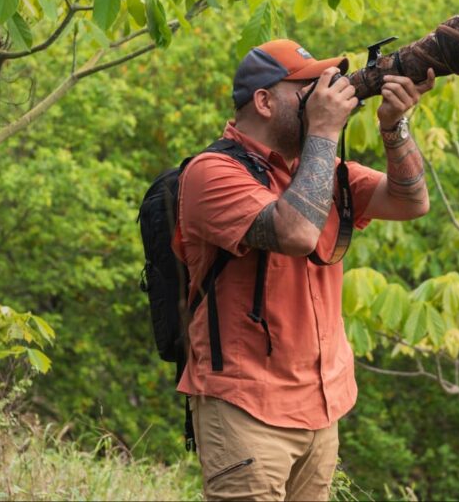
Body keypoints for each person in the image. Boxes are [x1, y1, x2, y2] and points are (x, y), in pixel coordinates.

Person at [174, 38, 434, 501]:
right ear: (264, 101)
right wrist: (325, 130)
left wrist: (394, 127)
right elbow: (296, 233)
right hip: (246, 409)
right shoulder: (210, 173)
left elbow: (411, 201)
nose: (326, 95)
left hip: (322, 407)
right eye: (308, 88)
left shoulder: (319, 169)